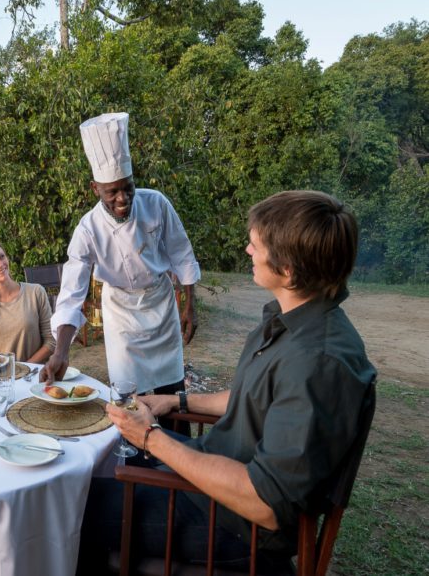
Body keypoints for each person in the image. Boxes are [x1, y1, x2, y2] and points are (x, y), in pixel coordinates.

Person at [77, 190, 377, 573]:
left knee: (73, 510)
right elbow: (256, 399)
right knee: (85, 483)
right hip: (214, 475)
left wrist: (151, 438)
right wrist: (177, 403)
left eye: (256, 245)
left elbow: (265, 503)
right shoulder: (291, 324)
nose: (248, 250)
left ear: (287, 270)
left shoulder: (319, 362)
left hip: (238, 525)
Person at [40, 112, 200, 399]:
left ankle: (176, 441)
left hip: (160, 305)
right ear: (95, 188)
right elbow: (71, 295)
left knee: (172, 391)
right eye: (112, 192)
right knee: (128, 394)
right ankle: (135, 444)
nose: (123, 198)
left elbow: (181, 252)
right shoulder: (87, 230)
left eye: (128, 187)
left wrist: (190, 305)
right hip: (121, 313)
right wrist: (61, 352)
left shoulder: (156, 203)